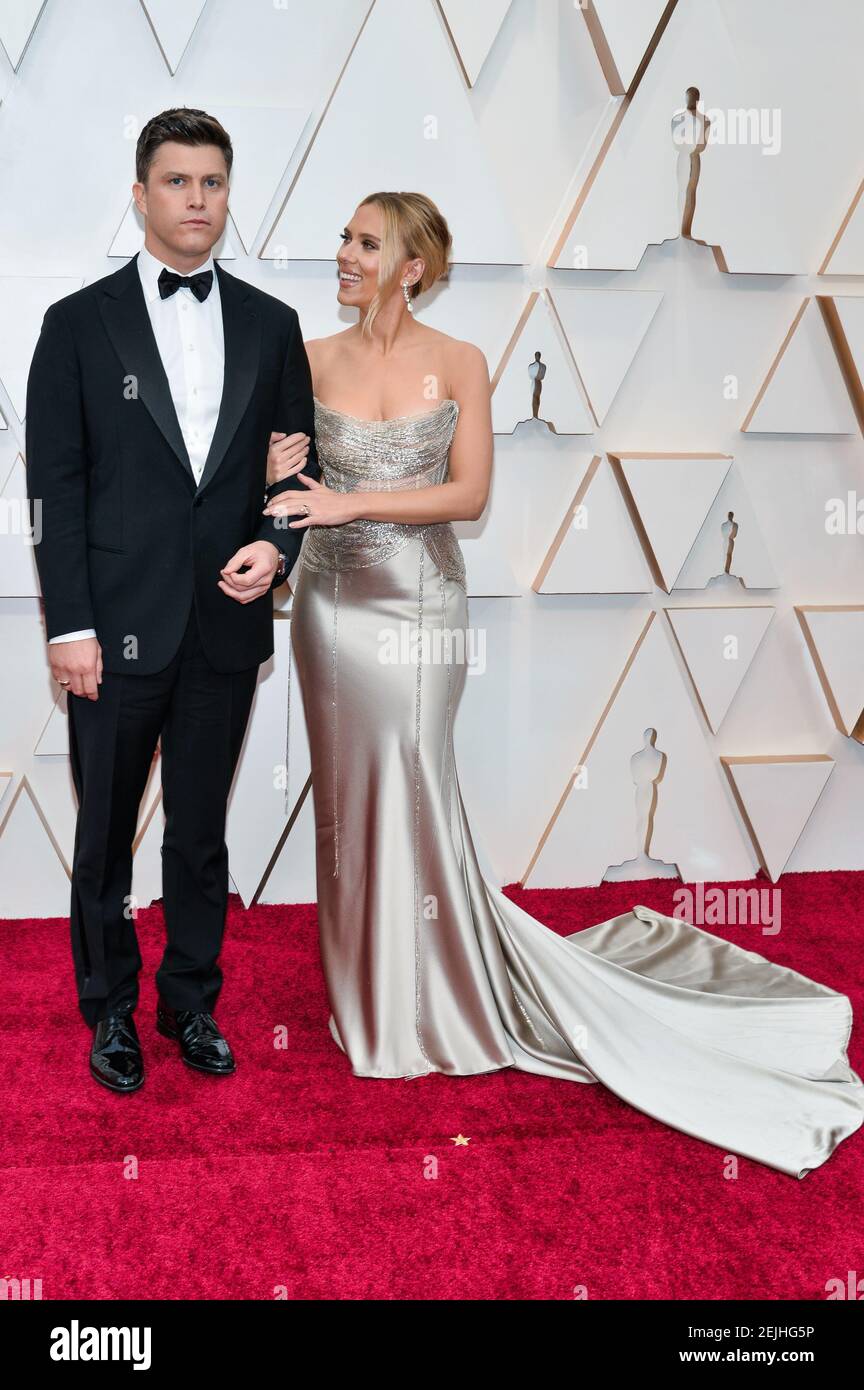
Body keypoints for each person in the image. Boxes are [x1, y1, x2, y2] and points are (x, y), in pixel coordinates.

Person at [265, 190, 864, 1178]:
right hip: (331, 612)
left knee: (415, 791)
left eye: (365, 242)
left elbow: (468, 495)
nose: (344, 253)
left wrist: (349, 499)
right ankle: (365, 996)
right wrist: (278, 467)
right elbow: (285, 492)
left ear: (411, 265)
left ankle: (436, 999)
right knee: (347, 805)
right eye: (344, 237)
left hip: (417, 609)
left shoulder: (458, 362)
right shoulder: (307, 360)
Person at [25, 107, 318, 1093]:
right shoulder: (75, 324)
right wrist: (68, 623)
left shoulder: (275, 329)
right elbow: (56, 489)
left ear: (229, 196)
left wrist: (276, 549)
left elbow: (295, 470)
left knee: (201, 832)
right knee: (104, 833)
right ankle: (108, 1008)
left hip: (225, 630)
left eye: (214, 183)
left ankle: (190, 1002)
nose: (198, 200)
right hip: (110, 630)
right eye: (179, 182)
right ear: (142, 193)